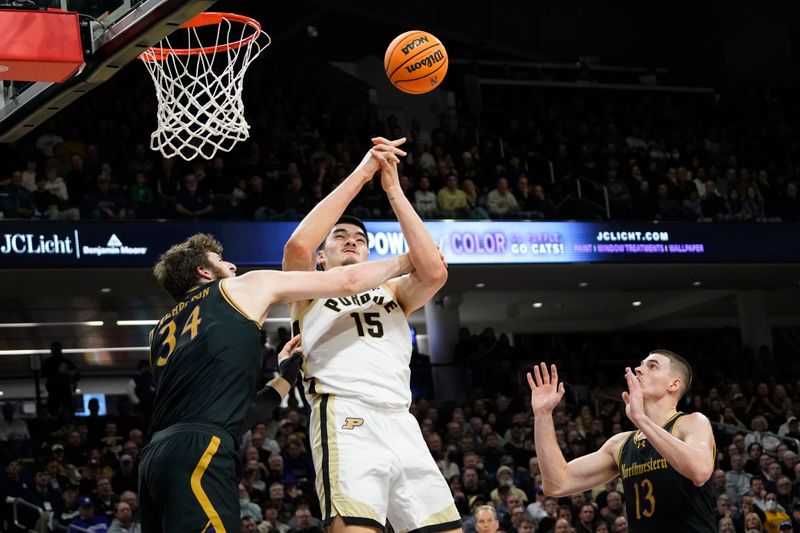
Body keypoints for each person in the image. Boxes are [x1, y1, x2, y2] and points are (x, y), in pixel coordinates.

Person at [138, 227, 414, 533]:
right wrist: (407, 260)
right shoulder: (237, 288)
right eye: (221, 260)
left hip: (154, 459)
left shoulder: (157, 333)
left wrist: (285, 377)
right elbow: (346, 281)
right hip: (200, 451)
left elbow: (233, 414)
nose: (232, 266)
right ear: (204, 271)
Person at [282, 138, 459, 533]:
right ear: (322, 256)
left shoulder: (393, 291)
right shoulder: (308, 287)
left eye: (360, 239)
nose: (351, 241)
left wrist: (393, 189)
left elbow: (434, 272)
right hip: (346, 414)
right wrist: (364, 172)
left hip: (400, 418)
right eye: (340, 237)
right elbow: (298, 245)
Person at [528, 350, 716, 532]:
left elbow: (699, 472)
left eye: (652, 366)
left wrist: (641, 420)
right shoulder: (620, 444)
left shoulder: (692, 423)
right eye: (641, 365)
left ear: (673, 384)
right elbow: (557, 483)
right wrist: (542, 415)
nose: (639, 370)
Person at [42, 341, 79, 416]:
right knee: (63, 411)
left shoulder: (48, 362)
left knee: (55, 411)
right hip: (61, 391)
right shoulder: (66, 362)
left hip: (56, 391)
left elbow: (76, 374)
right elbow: (76, 374)